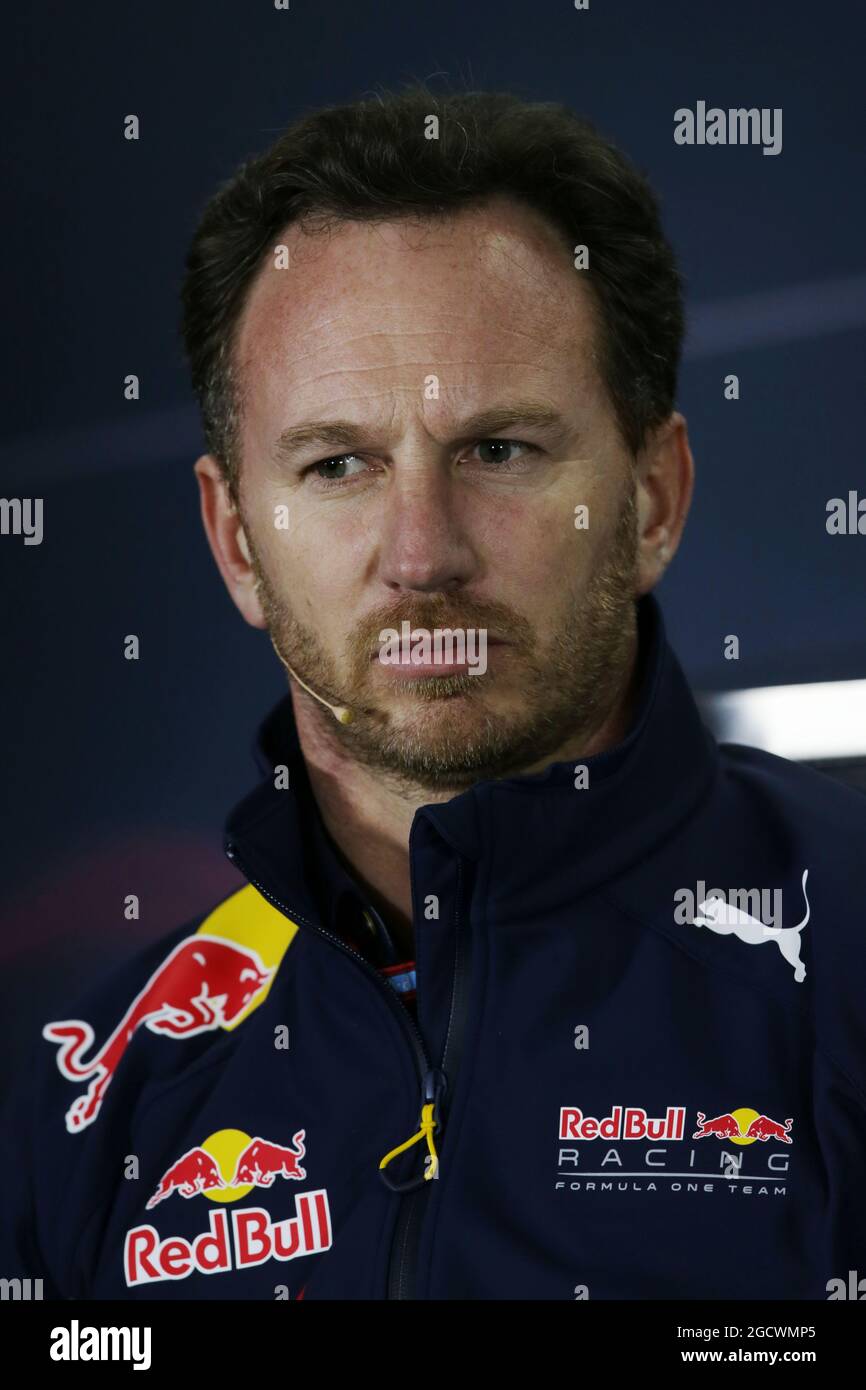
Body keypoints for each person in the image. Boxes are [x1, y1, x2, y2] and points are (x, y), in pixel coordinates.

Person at [2, 84, 864, 1301]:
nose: (420, 551)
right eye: (337, 463)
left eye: (498, 450)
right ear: (237, 540)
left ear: (653, 498)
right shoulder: (94, 1095)